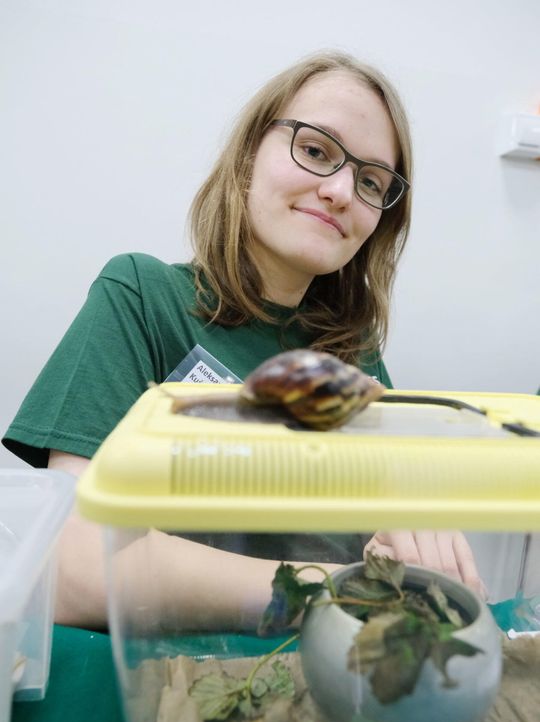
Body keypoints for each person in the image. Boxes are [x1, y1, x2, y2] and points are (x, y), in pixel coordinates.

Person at [2, 50, 483, 630]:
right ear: (250, 152)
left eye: (371, 182)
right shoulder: (143, 298)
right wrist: (336, 592)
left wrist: (422, 546)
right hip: (167, 672)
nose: (341, 191)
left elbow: (399, 545)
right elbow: (73, 568)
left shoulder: (358, 360)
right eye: (315, 150)